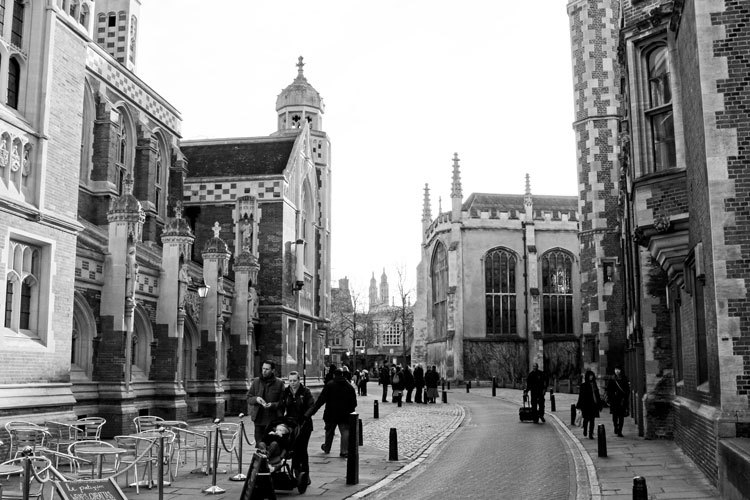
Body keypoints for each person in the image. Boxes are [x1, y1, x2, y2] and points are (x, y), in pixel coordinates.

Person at [305, 368, 357, 457]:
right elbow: (354, 403)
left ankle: (327, 448)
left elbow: (320, 400)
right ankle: (344, 451)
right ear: (342, 375)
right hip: (344, 414)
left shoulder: (330, 385)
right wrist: (350, 411)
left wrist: (311, 412)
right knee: (345, 431)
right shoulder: (349, 386)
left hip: (331, 413)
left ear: (334, 375)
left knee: (329, 431)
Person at [280, 371, 314, 482]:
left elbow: (311, 406)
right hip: (291, 424)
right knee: (293, 448)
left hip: (304, 425)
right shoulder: (286, 392)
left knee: (302, 448)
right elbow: (282, 406)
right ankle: (296, 471)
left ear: (299, 380)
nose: (292, 383)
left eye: (295, 380)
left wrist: (305, 416)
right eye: (290, 381)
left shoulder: (305, 391)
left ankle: (305, 474)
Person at [248, 360, 285, 445]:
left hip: (273, 419)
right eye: (263, 368)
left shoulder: (279, 383)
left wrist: (272, 405)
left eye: (267, 369)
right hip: (258, 418)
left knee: (271, 444)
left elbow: (282, 402)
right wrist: (256, 399)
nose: (264, 371)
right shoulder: (256, 381)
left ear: (273, 370)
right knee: (259, 444)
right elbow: (249, 398)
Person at [576, 370, 603, 439]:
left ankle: (591, 434)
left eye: (592, 376)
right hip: (586, 405)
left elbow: (597, 396)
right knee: (586, 419)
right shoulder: (583, 385)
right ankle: (585, 430)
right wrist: (579, 405)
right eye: (590, 376)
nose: (591, 377)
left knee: (592, 420)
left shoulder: (594, 385)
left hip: (593, 405)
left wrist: (600, 405)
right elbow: (581, 396)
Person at [606, 366, 631, 437]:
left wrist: (625, 398)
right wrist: (611, 397)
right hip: (614, 400)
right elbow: (608, 390)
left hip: (621, 400)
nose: (617, 371)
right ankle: (615, 426)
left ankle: (620, 431)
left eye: (618, 369)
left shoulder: (624, 379)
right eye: (616, 369)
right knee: (614, 416)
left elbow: (627, 390)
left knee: (621, 416)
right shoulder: (612, 379)